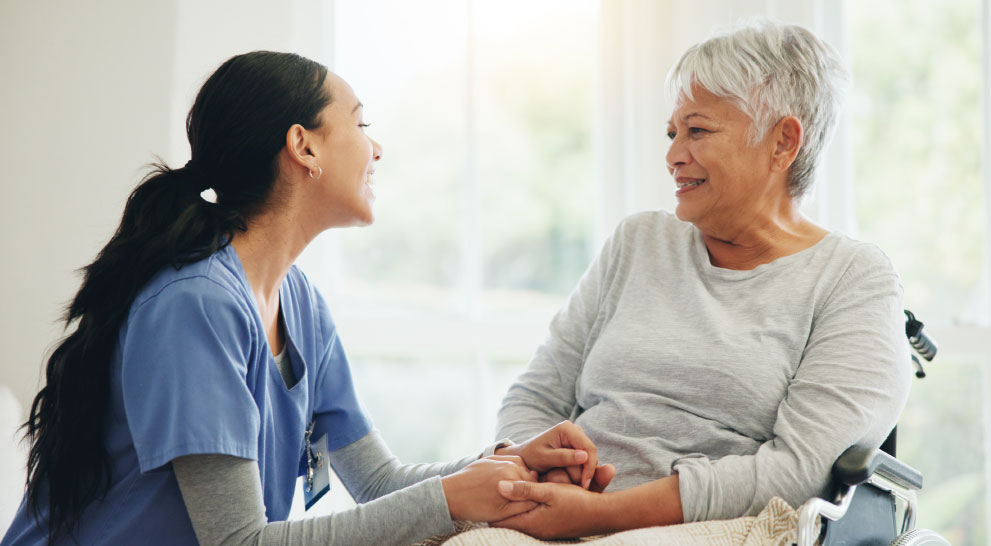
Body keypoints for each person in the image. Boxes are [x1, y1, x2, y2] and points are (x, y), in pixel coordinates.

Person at [1, 51, 605, 546]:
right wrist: (452, 499)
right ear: (304, 146)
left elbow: (378, 480)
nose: (377, 149)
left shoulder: (300, 304)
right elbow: (239, 542)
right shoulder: (197, 305)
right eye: (361, 125)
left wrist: (508, 467)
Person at [491, 20, 912, 539]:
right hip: (559, 510)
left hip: (716, 525)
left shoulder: (853, 279)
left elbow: (799, 470)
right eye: (673, 134)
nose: (672, 156)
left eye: (698, 130)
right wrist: (532, 463)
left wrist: (601, 515)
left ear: (783, 142)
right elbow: (534, 395)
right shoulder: (638, 243)